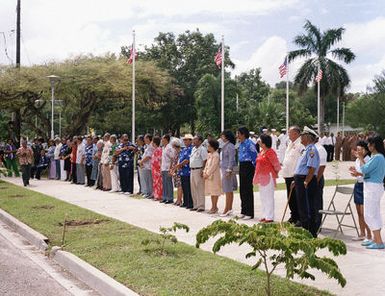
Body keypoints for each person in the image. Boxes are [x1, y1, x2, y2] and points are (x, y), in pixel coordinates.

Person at [355, 135, 385, 249]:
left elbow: (364, 169)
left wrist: (361, 157)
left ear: (374, 145)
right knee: (373, 213)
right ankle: (376, 239)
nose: (368, 146)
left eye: (369, 144)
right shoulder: (377, 157)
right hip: (372, 186)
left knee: (370, 214)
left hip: (373, 187)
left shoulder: (378, 157)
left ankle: (378, 241)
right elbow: (367, 172)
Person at [294, 126, 320, 237]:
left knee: (307, 207)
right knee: (302, 207)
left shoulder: (312, 150)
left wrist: (306, 181)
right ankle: (305, 231)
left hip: (306, 181)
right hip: (301, 179)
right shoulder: (306, 150)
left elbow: (312, 168)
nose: (301, 137)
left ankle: (310, 233)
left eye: (303, 135)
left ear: (308, 137)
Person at [253, 134, 281, 222]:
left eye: (260, 141)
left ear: (264, 143)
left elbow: (276, 164)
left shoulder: (270, 152)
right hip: (261, 177)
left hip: (268, 176)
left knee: (269, 197)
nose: (258, 142)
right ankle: (265, 215)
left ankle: (270, 216)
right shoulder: (261, 152)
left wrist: (275, 173)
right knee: (263, 196)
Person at [349, 140, 371, 242]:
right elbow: (359, 170)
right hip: (358, 185)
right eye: (357, 149)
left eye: (359, 149)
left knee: (364, 212)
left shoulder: (368, 159)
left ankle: (370, 234)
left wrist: (358, 173)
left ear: (365, 149)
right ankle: (362, 233)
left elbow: (368, 174)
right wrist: (354, 170)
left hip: (365, 186)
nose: (357, 151)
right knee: (359, 212)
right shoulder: (358, 159)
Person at [281, 126, 304, 224]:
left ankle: (299, 218)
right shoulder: (290, 143)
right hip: (288, 175)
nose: (288, 134)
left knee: (297, 198)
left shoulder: (300, 145)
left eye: (290, 132)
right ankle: (293, 216)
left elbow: (300, 161)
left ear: (295, 133)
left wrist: (296, 176)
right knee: (290, 198)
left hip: (295, 176)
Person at [237, 127, 257, 220]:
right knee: (242, 189)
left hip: (248, 166)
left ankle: (249, 212)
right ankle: (243, 210)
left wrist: (254, 168)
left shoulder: (250, 143)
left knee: (248, 189)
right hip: (242, 165)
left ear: (243, 134)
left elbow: (255, 156)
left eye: (238, 134)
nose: (237, 136)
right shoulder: (240, 144)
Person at [219, 130, 238, 217]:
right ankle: (229, 208)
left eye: (222, 136)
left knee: (228, 190)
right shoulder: (225, 145)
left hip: (227, 170)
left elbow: (231, 159)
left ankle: (227, 208)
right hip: (224, 169)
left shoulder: (230, 146)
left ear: (226, 136)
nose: (221, 137)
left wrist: (229, 169)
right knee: (228, 190)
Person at [190, 135, 208, 212]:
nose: (193, 141)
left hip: (199, 169)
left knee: (199, 188)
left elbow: (205, 160)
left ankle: (201, 206)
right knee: (193, 188)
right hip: (192, 170)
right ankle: (195, 205)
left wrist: (203, 170)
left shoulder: (203, 149)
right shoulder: (193, 149)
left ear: (200, 141)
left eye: (195, 139)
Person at [203, 139, 222, 214]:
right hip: (208, 176)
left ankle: (214, 207)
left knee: (215, 191)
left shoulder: (216, 155)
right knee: (211, 191)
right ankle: (213, 206)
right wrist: (204, 172)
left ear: (213, 147)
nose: (208, 147)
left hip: (214, 176)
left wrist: (207, 173)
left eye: (209, 146)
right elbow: (207, 165)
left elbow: (213, 166)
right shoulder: (209, 155)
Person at [314, 135, 327, 233]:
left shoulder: (320, 149)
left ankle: (317, 224)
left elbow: (322, 167)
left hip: (316, 178)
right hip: (310, 177)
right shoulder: (311, 148)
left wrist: (316, 180)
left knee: (317, 202)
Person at [177, 134, 194, 209]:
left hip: (188, 171)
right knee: (184, 187)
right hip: (182, 171)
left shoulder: (191, 149)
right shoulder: (184, 149)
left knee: (188, 188)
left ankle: (190, 203)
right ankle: (185, 202)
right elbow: (180, 158)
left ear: (191, 140)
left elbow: (187, 159)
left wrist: (179, 165)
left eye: (186, 140)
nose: (185, 141)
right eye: (184, 140)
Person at [160, 135, 175, 204]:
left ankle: (170, 198)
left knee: (168, 183)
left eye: (162, 139)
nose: (161, 140)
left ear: (166, 139)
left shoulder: (169, 147)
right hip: (163, 167)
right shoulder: (163, 147)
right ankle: (165, 197)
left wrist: (171, 169)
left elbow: (172, 158)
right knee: (164, 183)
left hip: (168, 167)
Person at [139, 134, 154, 199]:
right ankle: (146, 192)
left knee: (149, 180)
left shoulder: (151, 146)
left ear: (148, 138)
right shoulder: (147, 146)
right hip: (145, 165)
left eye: (145, 138)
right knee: (145, 180)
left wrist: (142, 162)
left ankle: (149, 193)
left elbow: (148, 156)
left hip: (148, 166)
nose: (144, 140)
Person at [170, 139, 183, 206]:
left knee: (179, 185)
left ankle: (179, 200)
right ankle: (178, 199)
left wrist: (175, 169)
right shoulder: (175, 152)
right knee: (177, 185)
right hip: (175, 170)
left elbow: (179, 162)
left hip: (179, 170)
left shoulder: (180, 152)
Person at [151, 136, 163, 200]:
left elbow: (160, 159)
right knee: (155, 182)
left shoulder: (159, 150)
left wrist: (160, 167)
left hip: (157, 168)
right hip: (154, 169)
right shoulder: (155, 150)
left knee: (158, 182)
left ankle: (159, 195)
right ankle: (156, 194)